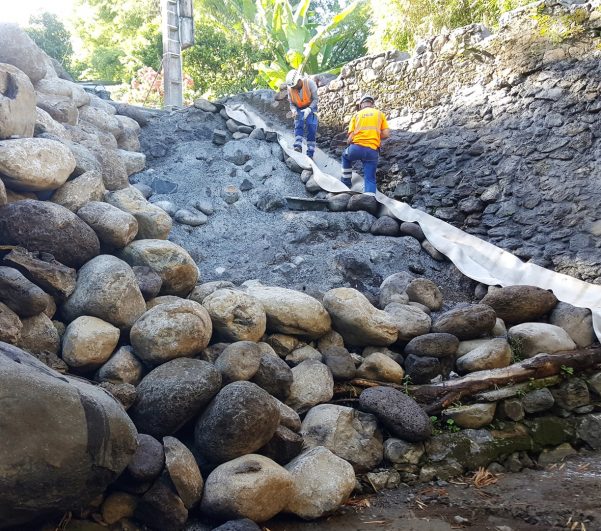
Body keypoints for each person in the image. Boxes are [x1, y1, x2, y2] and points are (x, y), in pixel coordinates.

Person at [341, 94, 390, 195]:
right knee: (370, 178)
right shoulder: (380, 114)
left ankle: (345, 184)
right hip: (372, 151)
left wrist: (347, 143)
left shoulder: (357, 115)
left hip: (356, 148)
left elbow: (350, 138)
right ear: (372, 104)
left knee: (345, 156)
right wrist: (374, 135)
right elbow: (386, 134)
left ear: (361, 104)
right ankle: (370, 199)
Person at [285, 69, 318, 159]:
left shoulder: (310, 83)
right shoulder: (290, 88)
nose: (294, 88)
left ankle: (310, 152)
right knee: (298, 124)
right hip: (298, 108)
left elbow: (315, 99)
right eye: (293, 86)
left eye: (295, 85)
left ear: (299, 80)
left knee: (312, 127)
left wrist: (309, 109)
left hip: (311, 107)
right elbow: (291, 103)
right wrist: (294, 110)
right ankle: (297, 146)